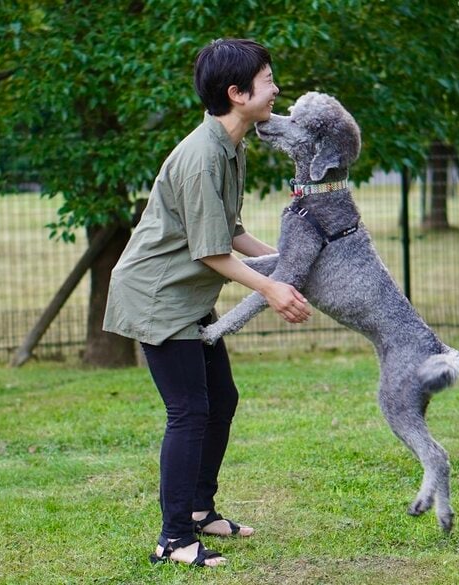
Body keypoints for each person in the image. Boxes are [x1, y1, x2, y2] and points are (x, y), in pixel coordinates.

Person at [103, 38, 311, 567]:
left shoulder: (230, 146)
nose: (276, 89)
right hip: (159, 297)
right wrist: (270, 288)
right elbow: (212, 251)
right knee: (189, 411)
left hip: (186, 295)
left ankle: (200, 510)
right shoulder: (201, 157)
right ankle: (172, 539)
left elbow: (232, 232)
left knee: (222, 399)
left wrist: (289, 263)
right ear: (237, 93)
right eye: (268, 80)